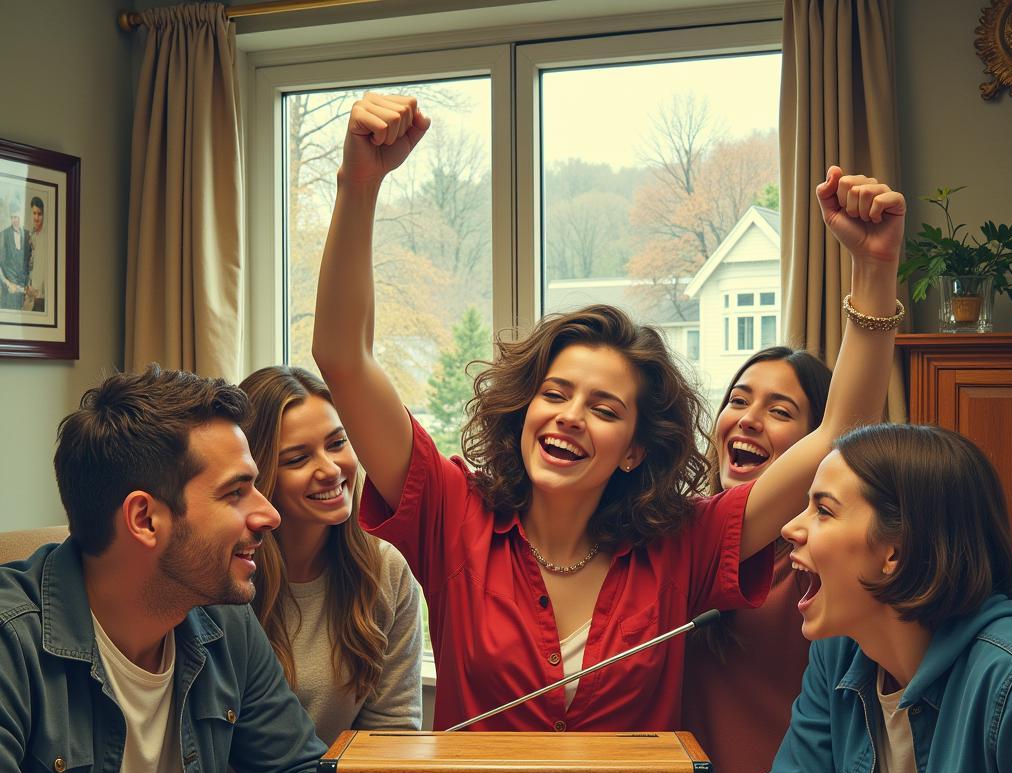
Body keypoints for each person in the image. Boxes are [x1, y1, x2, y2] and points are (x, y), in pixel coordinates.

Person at [312, 92, 904, 732]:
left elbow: (840, 433)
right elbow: (343, 357)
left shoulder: (684, 545)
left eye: (603, 408)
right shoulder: (453, 513)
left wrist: (874, 269)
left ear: (634, 448)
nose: (569, 417)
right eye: (556, 394)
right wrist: (359, 184)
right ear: (525, 411)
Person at [0, 366, 326, 773]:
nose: (269, 513)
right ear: (145, 519)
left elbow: (304, 768)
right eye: (235, 492)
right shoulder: (12, 642)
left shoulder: (224, 621)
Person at [754, 424, 1012, 773]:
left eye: (823, 509)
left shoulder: (1011, 679)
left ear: (894, 552)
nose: (790, 528)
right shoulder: (841, 650)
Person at [683, 348, 832, 773]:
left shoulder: (826, 566)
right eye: (738, 400)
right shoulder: (681, 536)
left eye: (780, 410)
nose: (747, 418)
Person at [238, 365, 422, 744]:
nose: (330, 468)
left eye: (337, 443)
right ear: (257, 474)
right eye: (297, 458)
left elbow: (390, 739)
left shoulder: (386, 570)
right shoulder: (225, 573)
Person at [0, 197, 29, 310]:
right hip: (9, 292)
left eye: (16, 217)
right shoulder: (3, 235)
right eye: (12, 217)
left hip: (23, 292)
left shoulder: (27, 235)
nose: (15, 220)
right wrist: (7, 283)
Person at [26, 196, 46, 312]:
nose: (36, 217)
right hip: (30, 295)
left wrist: (38, 292)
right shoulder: (31, 235)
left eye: (40, 214)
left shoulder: (45, 237)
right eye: (34, 213)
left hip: (40, 298)